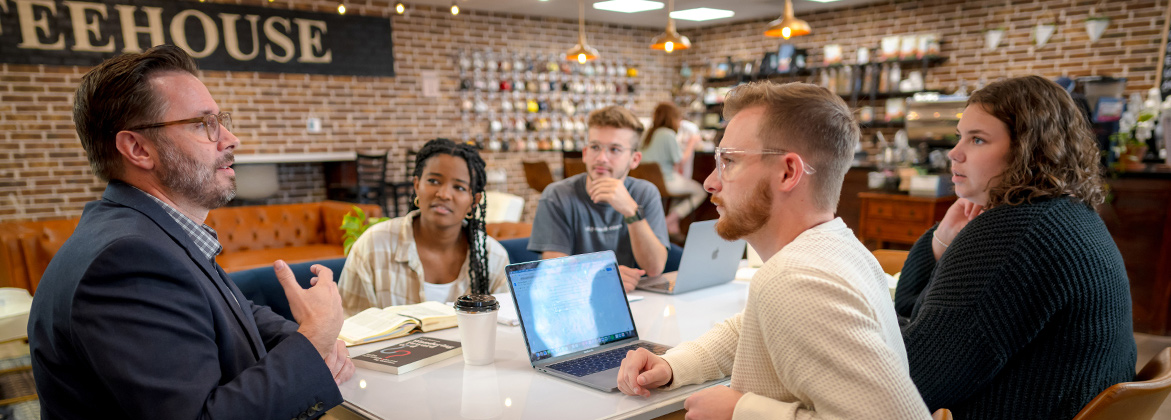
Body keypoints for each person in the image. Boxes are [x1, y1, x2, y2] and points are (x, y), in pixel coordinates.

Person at [28, 45, 353, 419]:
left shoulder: (150, 233)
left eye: (220, 119)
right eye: (203, 124)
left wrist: (312, 340)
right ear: (137, 148)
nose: (231, 139)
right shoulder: (125, 261)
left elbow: (232, 314)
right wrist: (314, 340)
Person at [616, 82, 930, 419]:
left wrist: (740, 410)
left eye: (729, 161)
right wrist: (671, 364)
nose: (710, 182)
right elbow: (750, 329)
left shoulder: (796, 280)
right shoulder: (840, 248)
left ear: (788, 172)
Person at [894, 75, 1136, 419]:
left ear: (1030, 151)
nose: (954, 153)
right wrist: (943, 239)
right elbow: (914, 311)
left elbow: (910, 383)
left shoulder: (1013, 235)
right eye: (959, 136)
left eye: (977, 140)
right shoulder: (1067, 213)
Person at [339, 138, 510, 316]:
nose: (443, 194)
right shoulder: (374, 246)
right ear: (416, 185)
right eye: (434, 181)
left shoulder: (493, 258)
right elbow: (350, 327)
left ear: (474, 202)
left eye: (458, 187)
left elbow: (503, 329)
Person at [528, 105, 669, 292]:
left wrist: (631, 211)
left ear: (634, 159)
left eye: (615, 149)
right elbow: (554, 273)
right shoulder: (557, 195)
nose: (602, 158)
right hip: (576, 302)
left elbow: (654, 268)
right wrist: (604, 276)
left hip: (636, 300)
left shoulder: (645, 193)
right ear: (585, 154)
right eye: (595, 147)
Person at [639, 102, 709, 236]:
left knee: (682, 187)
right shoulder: (667, 134)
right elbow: (680, 160)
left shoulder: (647, 134)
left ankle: (672, 224)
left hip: (647, 182)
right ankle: (668, 221)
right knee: (700, 192)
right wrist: (692, 143)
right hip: (665, 182)